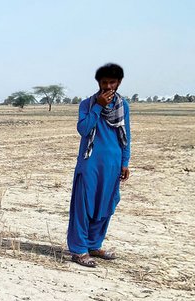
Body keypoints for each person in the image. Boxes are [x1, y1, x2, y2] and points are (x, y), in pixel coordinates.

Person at [67, 63, 131, 267]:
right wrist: (98, 107)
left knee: (106, 206)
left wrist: (125, 161)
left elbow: (125, 136)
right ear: (98, 83)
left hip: (112, 164)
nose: (108, 86)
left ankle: (94, 244)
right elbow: (84, 130)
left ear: (119, 83)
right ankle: (79, 249)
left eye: (113, 82)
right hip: (90, 163)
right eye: (104, 82)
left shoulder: (123, 106)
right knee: (84, 205)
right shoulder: (87, 104)